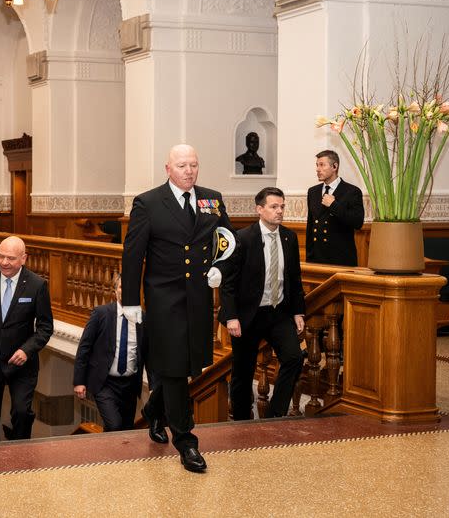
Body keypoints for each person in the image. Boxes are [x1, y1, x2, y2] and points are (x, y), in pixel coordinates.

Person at [121, 144, 235, 473]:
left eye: (194, 165)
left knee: (187, 367)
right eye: (182, 165)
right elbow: (133, 255)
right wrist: (130, 300)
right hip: (164, 300)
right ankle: (186, 442)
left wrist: (220, 268)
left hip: (199, 299)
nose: (189, 171)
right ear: (168, 168)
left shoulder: (210, 198)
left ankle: (155, 411)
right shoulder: (148, 202)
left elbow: (227, 239)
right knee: (172, 367)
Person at [219, 187, 306, 420]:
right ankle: (241, 420)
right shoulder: (243, 238)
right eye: (274, 207)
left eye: (282, 206)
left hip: (278, 312)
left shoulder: (289, 237)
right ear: (260, 209)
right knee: (243, 371)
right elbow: (228, 282)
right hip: (248, 314)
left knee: (294, 358)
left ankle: (274, 416)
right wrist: (231, 316)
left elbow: (294, 278)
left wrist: (298, 312)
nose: (279, 211)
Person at [0, 236, 53, 442]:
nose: (4, 262)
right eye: (1, 256)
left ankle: (19, 459)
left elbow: (45, 327)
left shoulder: (37, 285)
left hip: (20, 364)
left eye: (11, 258)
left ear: (23, 258)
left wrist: (27, 350)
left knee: (22, 413)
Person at [73, 274, 148, 432]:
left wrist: (153, 385)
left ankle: (115, 456)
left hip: (130, 385)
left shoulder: (142, 318)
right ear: (115, 291)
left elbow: (147, 354)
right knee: (114, 425)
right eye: (121, 287)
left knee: (126, 429)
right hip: (105, 383)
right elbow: (84, 347)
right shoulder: (101, 314)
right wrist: (79, 381)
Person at [307, 150, 364, 266]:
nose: (318, 169)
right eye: (317, 165)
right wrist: (309, 257)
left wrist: (333, 205)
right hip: (316, 259)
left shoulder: (352, 191)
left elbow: (357, 223)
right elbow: (310, 225)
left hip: (341, 259)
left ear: (334, 166)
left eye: (322, 165)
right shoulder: (313, 191)